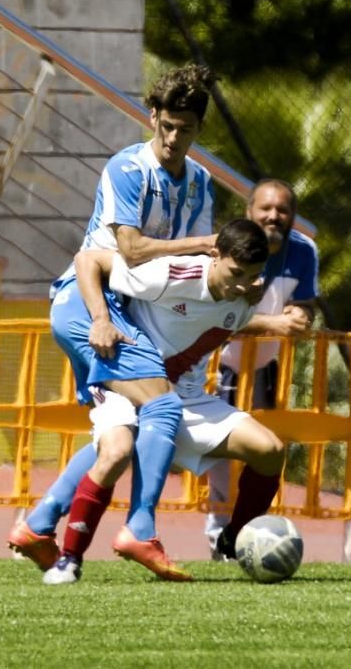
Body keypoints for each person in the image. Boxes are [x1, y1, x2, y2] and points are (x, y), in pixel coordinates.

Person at [7, 63, 219, 580]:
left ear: (197, 129)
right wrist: (101, 317)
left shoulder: (201, 183)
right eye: (165, 125)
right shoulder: (127, 168)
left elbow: (185, 270)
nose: (172, 138)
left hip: (131, 314)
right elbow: (128, 249)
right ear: (152, 117)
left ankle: (38, 526)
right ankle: (140, 529)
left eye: (184, 129)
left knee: (119, 437)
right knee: (163, 408)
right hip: (87, 305)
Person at [42, 218, 288, 585]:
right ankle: (70, 558)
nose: (242, 284)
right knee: (114, 451)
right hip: (127, 377)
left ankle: (234, 539)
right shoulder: (174, 273)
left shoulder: (241, 301)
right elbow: (88, 260)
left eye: (252, 275)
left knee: (270, 450)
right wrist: (100, 320)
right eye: (236, 272)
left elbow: (211, 333)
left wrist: (277, 318)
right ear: (215, 255)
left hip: (177, 393)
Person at [205, 179, 319, 559]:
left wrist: (301, 313)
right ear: (248, 211)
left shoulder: (304, 252)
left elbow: (306, 303)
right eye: (265, 208)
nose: (274, 215)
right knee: (218, 449)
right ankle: (218, 533)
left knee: (264, 450)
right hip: (214, 364)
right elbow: (213, 318)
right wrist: (272, 324)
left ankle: (245, 532)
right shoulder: (225, 249)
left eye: (283, 210)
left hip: (264, 367)